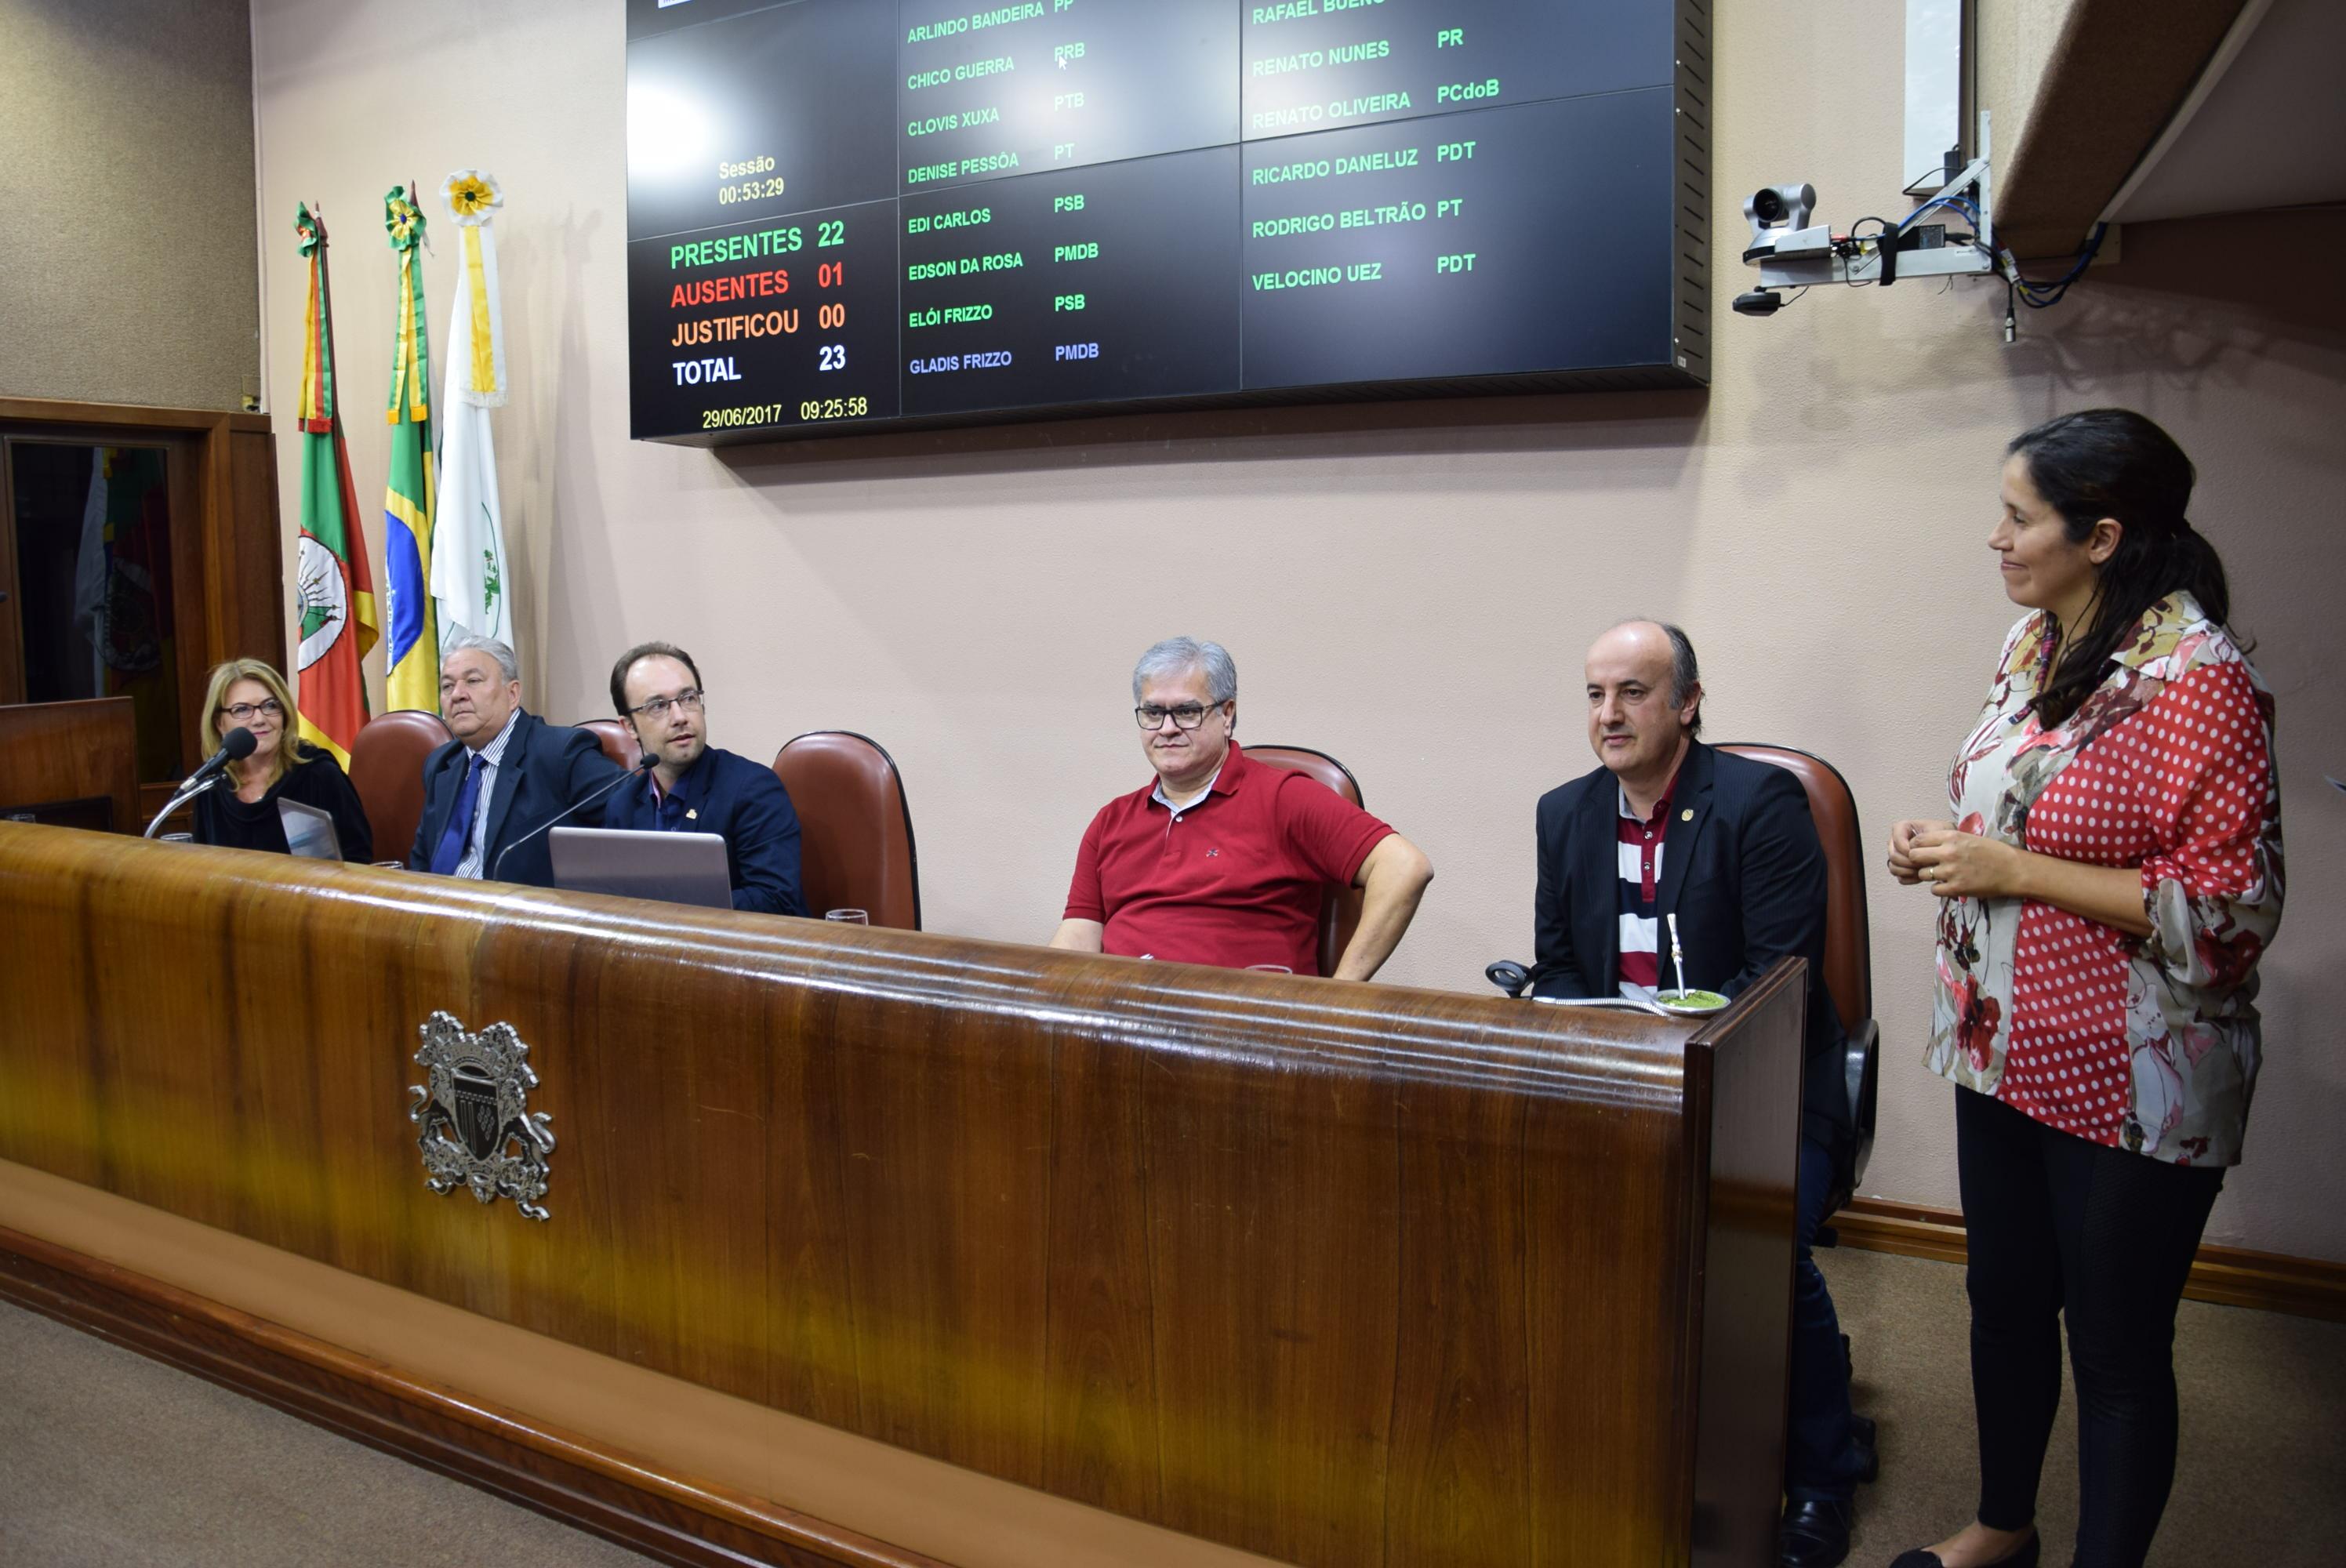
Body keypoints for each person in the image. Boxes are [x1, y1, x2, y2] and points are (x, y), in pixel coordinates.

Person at [1887, 410, 2282, 1568]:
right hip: (2000, 1043)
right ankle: (2002, 1526)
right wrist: (1948, 848)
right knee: (2004, 1307)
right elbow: (2022, 813)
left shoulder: (2201, 678)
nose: (1996, 538)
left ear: (2102, 536)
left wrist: (2013, 870)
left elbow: (2230, 919)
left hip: (2135, 1075)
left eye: (2020, 517)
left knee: (2115, 1350)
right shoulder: (2038, 642)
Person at [1528, 619, 1872, 1567]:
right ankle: (1615, 1451)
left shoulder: (1760, 801)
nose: (1609, 713)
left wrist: (1685, 1058)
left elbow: (1778, 977)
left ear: (1685, 702)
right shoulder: (1564, 812)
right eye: (1595, 693)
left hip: (1764, 1089)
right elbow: (1560, 969)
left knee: (1758, 1251)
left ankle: (1820, 1474)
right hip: (1628, 1089)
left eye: (1633, 691)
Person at [1050, 637, 1433, 978]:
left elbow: (1405, 867)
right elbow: (1079, 937)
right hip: (1121, 1023)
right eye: (1152, 713)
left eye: (1186, 711)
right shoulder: (1111, 821)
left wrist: (1341, 999)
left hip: (1239, 1033)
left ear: (1227, 714)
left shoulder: (1285, 798)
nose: (1166, 728)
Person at [599, 641, 805, 916]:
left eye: (688, 698)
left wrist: (668, 908)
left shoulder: (753, 789)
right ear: (629, 727)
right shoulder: (622, 806)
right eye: (658, 706)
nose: (680, 717)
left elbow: (776, 901)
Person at [407, 633, 625, 887]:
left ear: (512, 694)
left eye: (473, 681)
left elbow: (636, 812)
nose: (457, 695)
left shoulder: (561, 753)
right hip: (443, 913)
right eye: (447, 686)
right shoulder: (442, 764)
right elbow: (422, 863)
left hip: (523, 916)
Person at [189, 658, 372, 861]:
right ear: (219, 724)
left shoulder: (319, 774)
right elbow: (202, 865)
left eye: (270, 706)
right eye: (242, 709)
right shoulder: (212, 785)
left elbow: (359, 860)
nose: (259, 719)